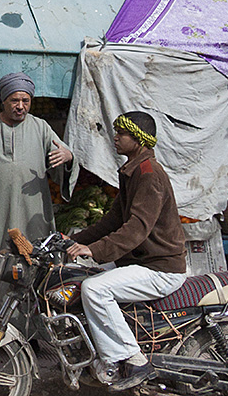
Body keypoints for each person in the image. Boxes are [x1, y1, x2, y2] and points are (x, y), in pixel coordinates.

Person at [66, 111, 186, 392]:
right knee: (79, 277)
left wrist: (94, 250)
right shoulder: (133, 171)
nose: (116, 137)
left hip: (160, 268)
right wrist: (74, 240)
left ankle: (133, 360)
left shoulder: (148, 174)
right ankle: (94, 358)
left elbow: (136, 228)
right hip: (142, 263)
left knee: (95, 289)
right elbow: (113, 219)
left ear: (140, 139)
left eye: (122, 133)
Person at [0, 72, 79, 314]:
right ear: (3, 101)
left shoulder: (41, 128)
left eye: (26, 101)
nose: (20, 106)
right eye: (14, 100)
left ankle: (27, 328)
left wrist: (69, 158)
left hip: (29, 212)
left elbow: (63, 158)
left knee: (30, 265)